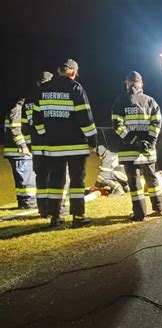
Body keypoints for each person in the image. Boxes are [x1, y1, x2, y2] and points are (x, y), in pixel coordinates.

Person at [33, 59, 98, 228]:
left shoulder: (43, 90)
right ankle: (78, 216)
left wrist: (44, 135)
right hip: (76, 146)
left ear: (58, 70)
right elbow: (85, 117)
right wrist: (93, 141)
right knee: (77, 182)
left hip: (53, 147)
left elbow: (36, 119)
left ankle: (55, 217)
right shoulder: (75, 88)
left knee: (55, 182)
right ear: (73, 72)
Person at [111, 71, 162, 221]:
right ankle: (159, 208)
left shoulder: (120, 101)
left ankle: (139, 214)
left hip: (129, 150)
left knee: (134, 183)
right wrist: (149, 142)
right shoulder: (150, 101)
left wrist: (134, 141)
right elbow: (157, 123)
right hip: (148, 151)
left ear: (127, 83)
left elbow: (117, 126)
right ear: (141, 83)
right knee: (152, 179)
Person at [24, 71, 54, 217]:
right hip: (51, 144)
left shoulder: (28, 99)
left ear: (37, 82)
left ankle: (43, 210)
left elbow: (25, 126)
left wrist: (29, 145)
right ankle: (55, 209)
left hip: (36, 145)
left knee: (40, 178)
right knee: (56, 177)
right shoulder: (48, 97)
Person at [3, 98, 36, 209]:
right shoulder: (16, 107)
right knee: (26, 180)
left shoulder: (17, 106)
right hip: (18, 151)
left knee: (24, 180)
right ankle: (29, 203)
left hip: (18, 151)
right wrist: (23, 146)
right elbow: (15, 128)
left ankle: (24, 203)